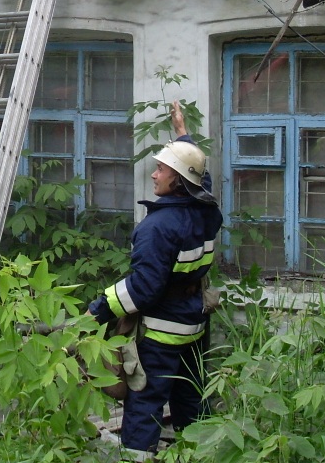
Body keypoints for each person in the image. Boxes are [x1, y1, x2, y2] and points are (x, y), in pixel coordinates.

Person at [88, 100, 223, 461]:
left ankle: (137, 456)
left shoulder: (158, 228)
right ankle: (199, 454)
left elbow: (143, 289)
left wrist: (96, 312)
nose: (154, 174)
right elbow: (202, 178)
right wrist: (182, 133)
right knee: (190, 397)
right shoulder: (207, 210)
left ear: (177, 180)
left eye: (162, 169)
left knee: (145, 401)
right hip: (193, 325)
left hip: (161, 334)